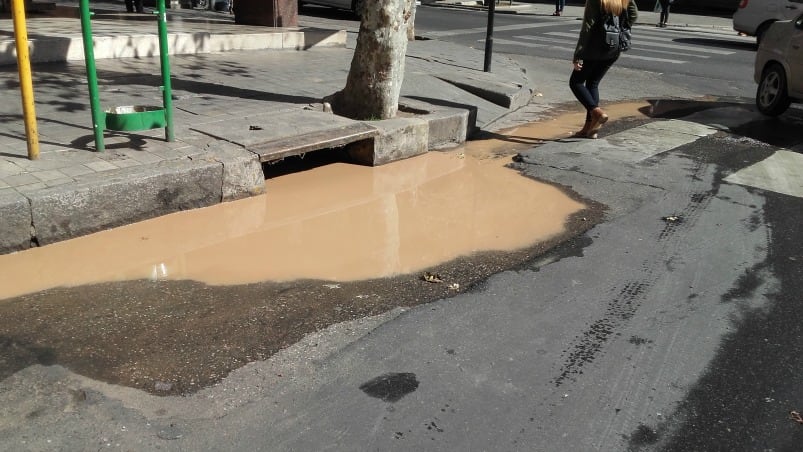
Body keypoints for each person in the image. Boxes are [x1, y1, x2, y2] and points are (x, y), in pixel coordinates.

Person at [569, 0, 638, 138]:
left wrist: (578, 55)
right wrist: (620, 26)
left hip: (594, 49)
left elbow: (587, 27)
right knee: (592, 83)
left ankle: (597, 112)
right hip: (613, 49)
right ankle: (589, 128)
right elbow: (633, 14)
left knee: (575, 82)